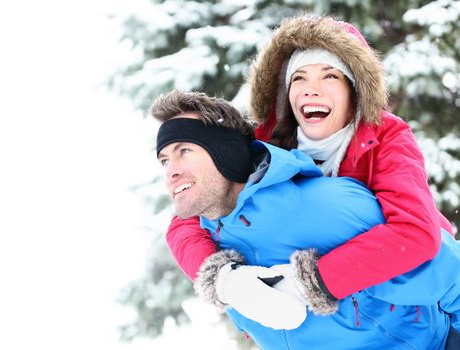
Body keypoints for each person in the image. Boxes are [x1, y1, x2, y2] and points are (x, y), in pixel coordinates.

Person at [164, 14, 454, 316]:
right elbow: (188, 215)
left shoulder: (386, 137)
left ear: (353, 90)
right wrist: (224, 280)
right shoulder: (265, 145)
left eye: (330, 76)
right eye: (299, 77)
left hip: (417, 305)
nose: (311, 89)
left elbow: (415, 232)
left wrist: (313, 281)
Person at [152, 90, 459, 349]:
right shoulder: (214, 247)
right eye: (164, 160)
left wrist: (318, 279)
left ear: (228, 154)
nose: (171, 170)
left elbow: (450, 273)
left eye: (185, 151)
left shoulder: (325, 207)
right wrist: (223, 281)